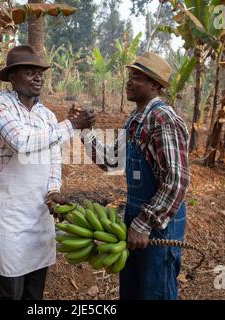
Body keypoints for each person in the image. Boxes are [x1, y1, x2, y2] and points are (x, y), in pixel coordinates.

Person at [0, 45, 95, 300]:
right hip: (11, 214)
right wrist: (71, 125)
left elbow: (53, 156)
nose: (38, 77)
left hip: (40, 214)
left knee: (35, 291)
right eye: (30, 72)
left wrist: (54, 189)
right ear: (12, 77)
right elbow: (21, 142)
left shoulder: (46, 115)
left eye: (40, 73)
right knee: (11, 291)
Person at [76, 52, 190, 299]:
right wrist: (86, 132)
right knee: (134, 290)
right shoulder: (135, 120)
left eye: (137, 78)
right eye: (130, 76)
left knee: (155, 292)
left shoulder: (162, 118)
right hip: (137, 219)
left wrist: (145, 222)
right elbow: (112, 162)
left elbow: (177, 180)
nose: (129, 82)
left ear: (155, 85)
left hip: (160, 224)